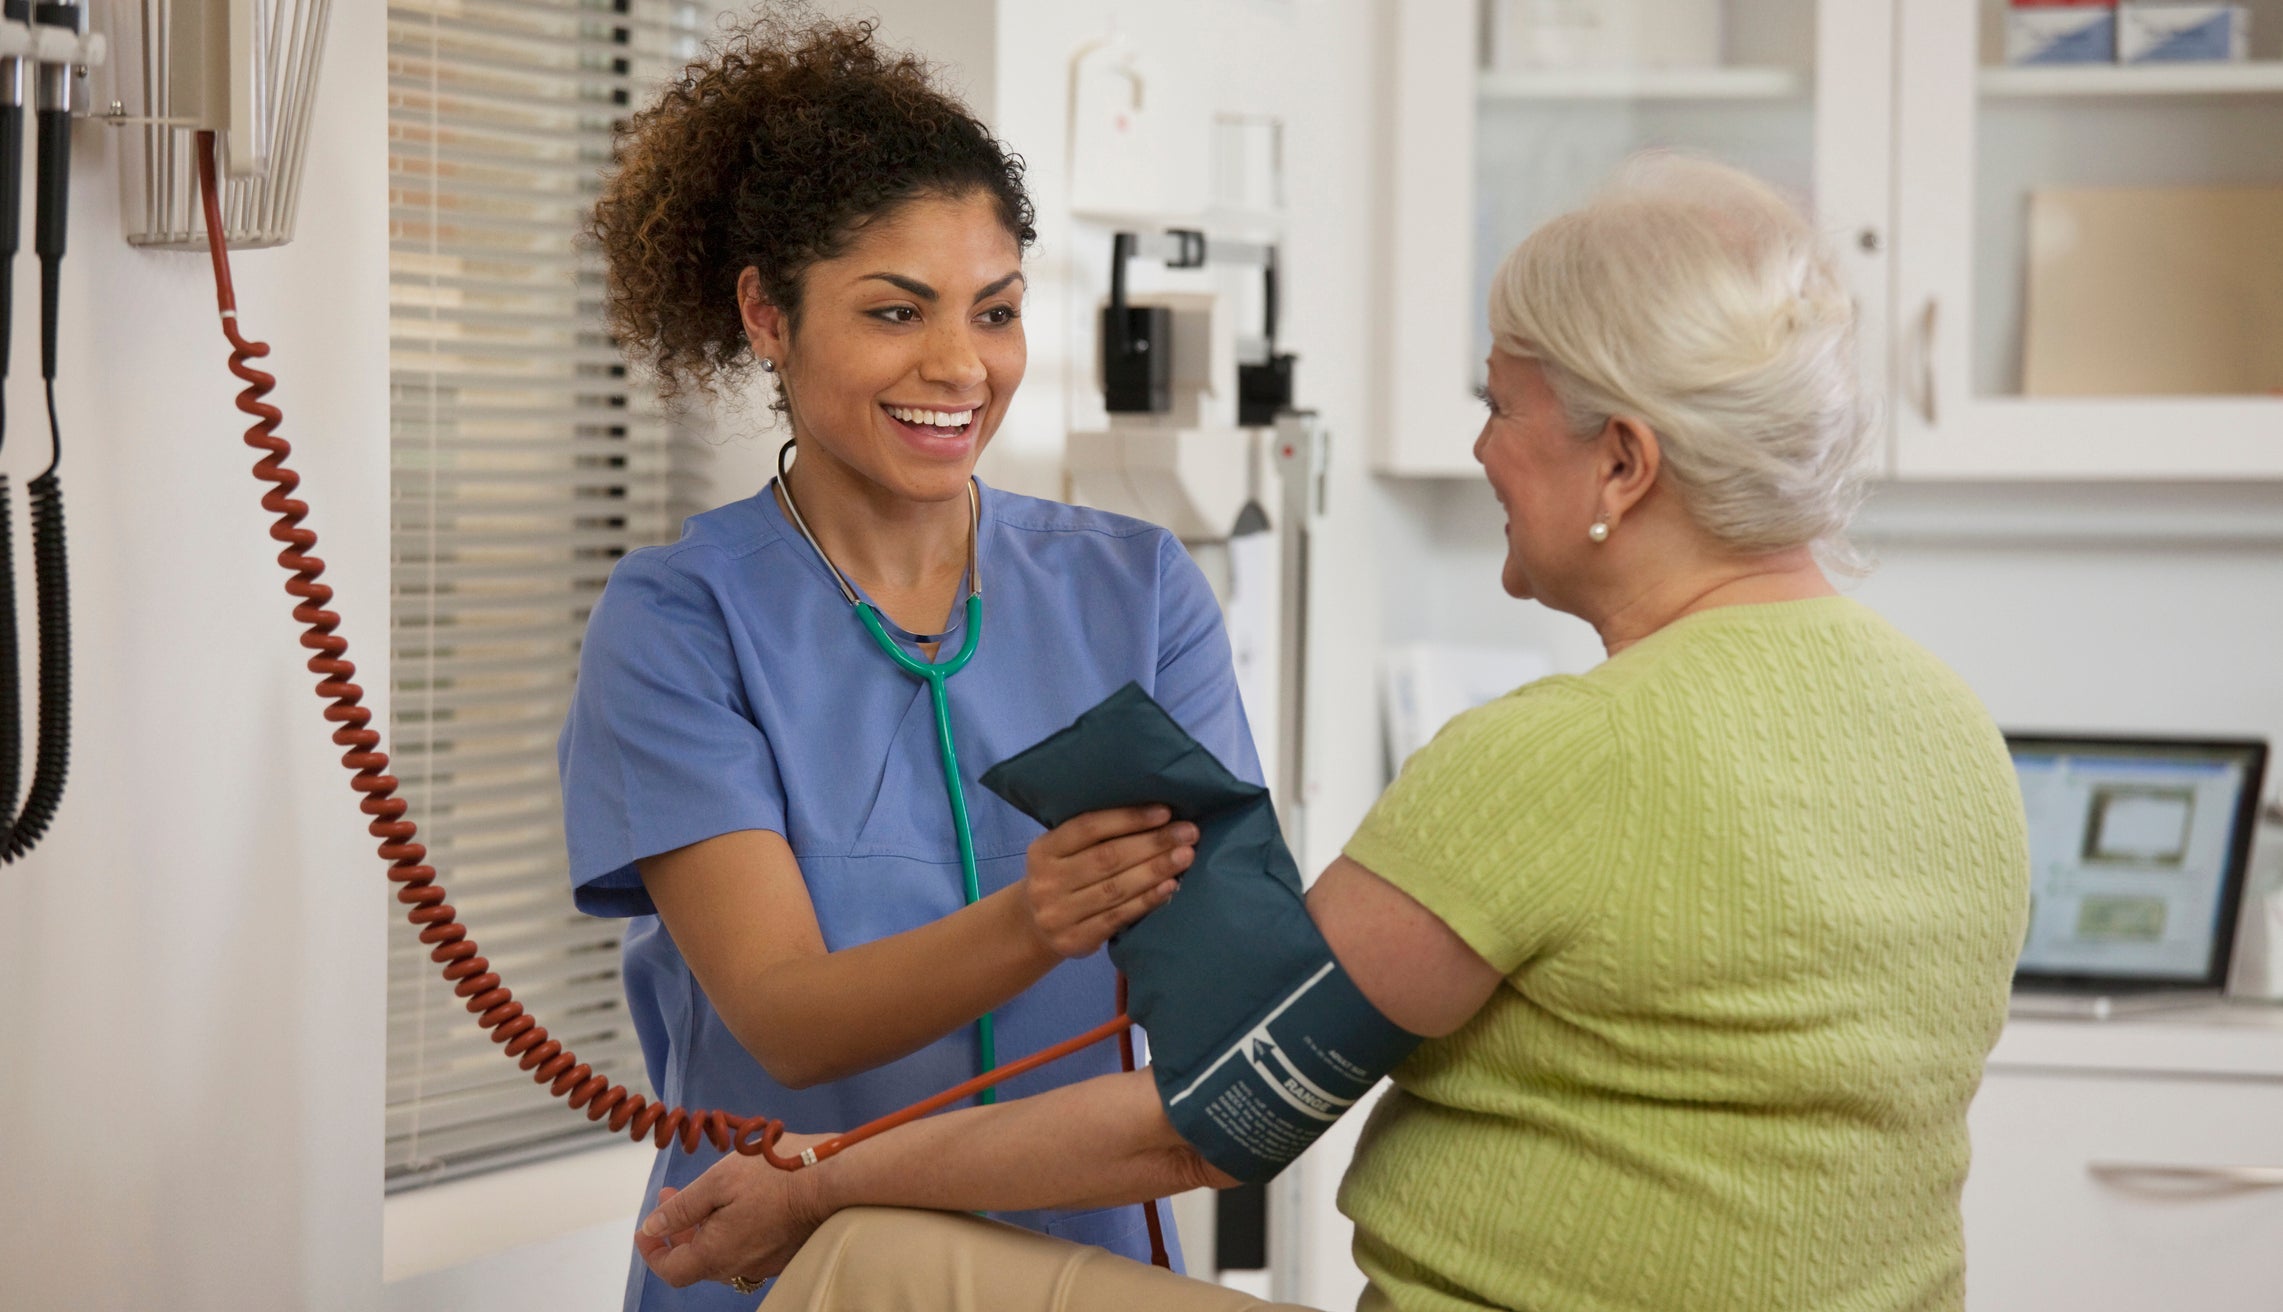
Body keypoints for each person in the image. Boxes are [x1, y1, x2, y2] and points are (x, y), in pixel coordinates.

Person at [625, 154, 2032, 1312]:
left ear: (1623, 462)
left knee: (857, 1262)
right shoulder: (1955, 729)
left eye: (1502, 403)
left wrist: (821, 1188)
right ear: (768, 318)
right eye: (894, 311)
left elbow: (1213, 1114)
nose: (1482, 446)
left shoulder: (1558, 757)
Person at [559, 13, 1261, 1308]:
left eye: (994, 312)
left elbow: (1236, 980)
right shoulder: (680, 622)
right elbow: (785, 1014)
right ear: (768, 314)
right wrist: (1038, 917)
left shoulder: (1139, 592)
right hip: (785, 1268)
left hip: (1075, 1272)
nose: (959, 365)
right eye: (896, 312)